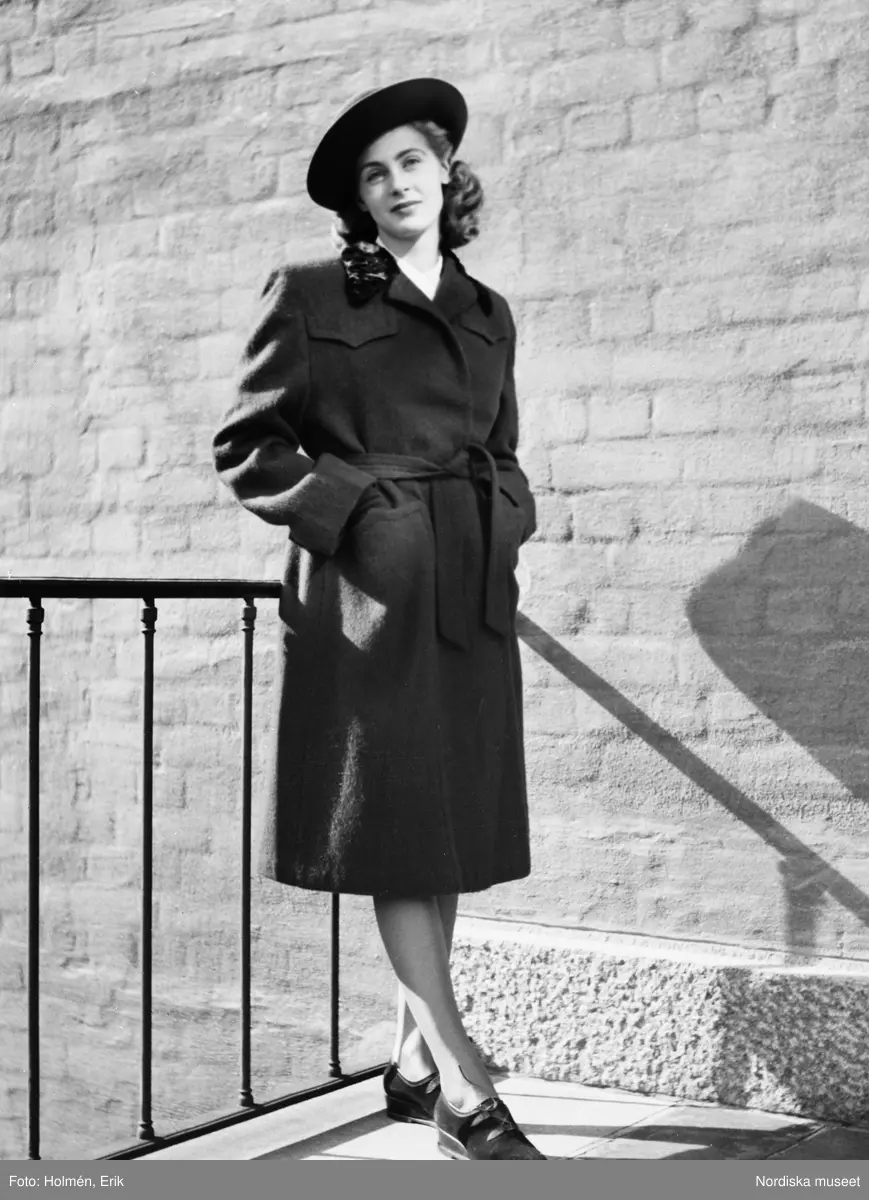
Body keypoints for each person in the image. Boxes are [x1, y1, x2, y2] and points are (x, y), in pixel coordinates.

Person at [212, 77, 545, 1161]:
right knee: (400, 831)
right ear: (357, 201)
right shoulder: (312, 294)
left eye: (410, 161)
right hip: (367, 602)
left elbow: (500, 448)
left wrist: (506, 517)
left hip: (470, 595)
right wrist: (363, 516)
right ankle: (462, 1082)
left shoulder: (488, 311)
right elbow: (248, 447)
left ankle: (408, 1066)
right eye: (372, 174)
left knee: (440, 830)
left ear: (445, 171)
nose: (395, 183)